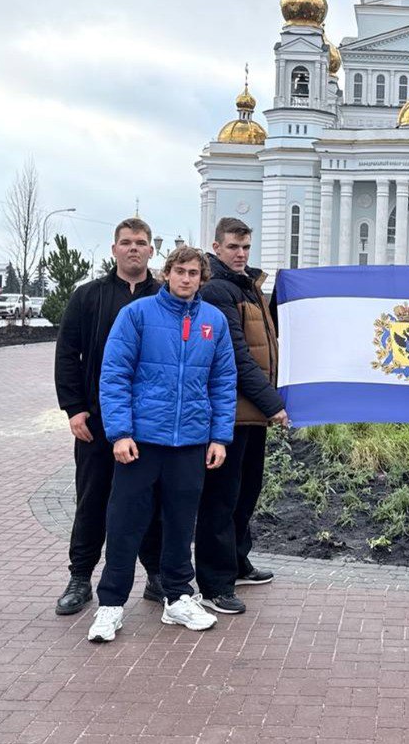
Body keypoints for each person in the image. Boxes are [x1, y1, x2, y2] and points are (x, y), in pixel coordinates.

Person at [87, 245, 237, 643]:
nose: (187, 279)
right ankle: (111, 605)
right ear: (166, 273)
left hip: (190, 441)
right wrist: (119, 433)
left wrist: (220, 437)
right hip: (141, 441)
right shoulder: (137, 315)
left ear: (202, 279)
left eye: (194, 273)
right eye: (180, 271)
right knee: (124, 524)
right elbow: (115, 374)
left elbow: (223, 384)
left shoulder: (214, 321)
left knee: (180, 523)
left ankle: (178, 597)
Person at [53, 218, 163, 616]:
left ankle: (157, 576)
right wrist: (74, 408)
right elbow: (68, 354)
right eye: (126, 242)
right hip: (98, 421)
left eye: (141, 242)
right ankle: (80, 577)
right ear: (114, 249)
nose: (134, 248)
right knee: (93, 499)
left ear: (152, 249)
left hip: (152, 421)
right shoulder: (89, 297)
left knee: (153, 501)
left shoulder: (166, 298)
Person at [194, 217, 289, 615]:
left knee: (245, 494)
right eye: (233, 246)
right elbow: (237, 356)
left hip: (252, 415)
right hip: (229, 416)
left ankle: (237, 561)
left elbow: (270, 339)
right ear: (217, 247)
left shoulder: (248, 287)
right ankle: (215, 582)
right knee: (221, 500)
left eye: (246, 247)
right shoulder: (218, 290)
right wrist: (274, 403)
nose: (240, 253)